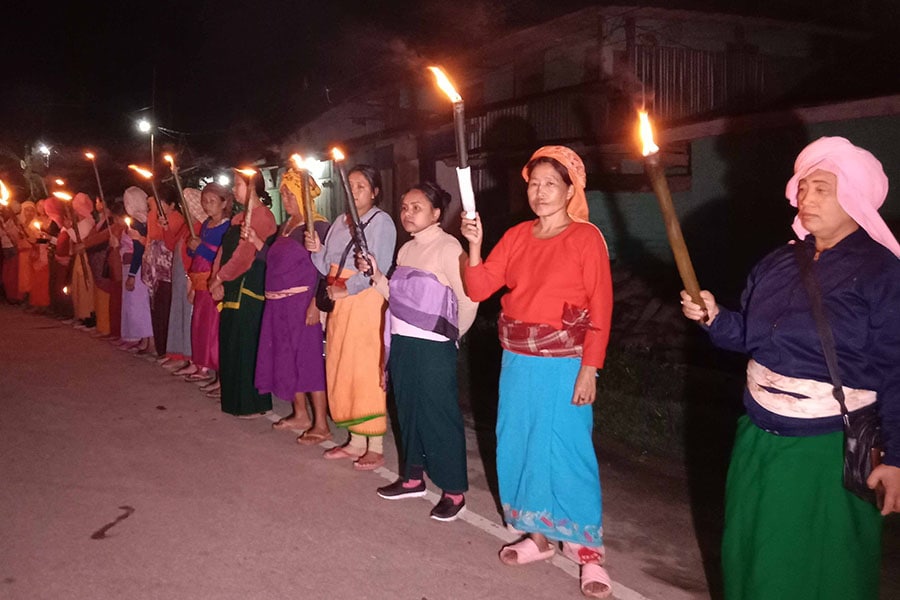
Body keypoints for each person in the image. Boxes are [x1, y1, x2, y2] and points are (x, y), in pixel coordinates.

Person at [680, 136, 900, 600]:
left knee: (817, 568)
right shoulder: (778, 262)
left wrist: (897, 458)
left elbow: (896, 368)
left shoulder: (882, 272)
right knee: (749, 554)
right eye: (803, 187)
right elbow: (752, 337)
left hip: (825, 448)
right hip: (756, 436)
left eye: (822, 188)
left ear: (855, 200)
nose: (806, 197)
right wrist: (715, 316)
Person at [461, 146, 614, 598]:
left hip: (566, 362)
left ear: (571, 190)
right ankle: (539, 536)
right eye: (534, 183)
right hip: (517, 359)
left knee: (569, 450)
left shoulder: (587, 238)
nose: (541, 192)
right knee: (520, 442)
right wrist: (474, 244)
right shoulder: (516, 236)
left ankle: (587, 551)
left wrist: (590, 369)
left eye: (551, 183)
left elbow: (601, 309)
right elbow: (479, 286)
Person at [363, 181, 479, 521]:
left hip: (433, 348)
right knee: (408, 410)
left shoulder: (448, 248)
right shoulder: (406, 250)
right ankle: (413, 478)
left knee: (439, 415)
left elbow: (469, 299)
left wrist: (451, 337)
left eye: (416, 207)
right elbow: (396, 299)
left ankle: (454, 491)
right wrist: (376, 273)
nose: (407, 213)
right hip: (403, 342)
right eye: (404, 207)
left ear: (437, 213)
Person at [306, 163, 397, 470]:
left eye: (362, 187)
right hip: (339, 301)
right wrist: (315, 249)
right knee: (341, 364)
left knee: (365, 369)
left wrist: (348, 289)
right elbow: (325, 265)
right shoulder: (340, 222)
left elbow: (379, 266)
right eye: (351, 186)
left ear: (375, 192)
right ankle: (356, 440)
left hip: (363, 301)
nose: (355, 192)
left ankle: (375, 444)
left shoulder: (380, 222)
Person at [251, 167, 331, 444]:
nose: (285, 198)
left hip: (302, 305)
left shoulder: (317, 226)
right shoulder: (287, 226)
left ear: (303, 195)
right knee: (287, 359)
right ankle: (300, 414)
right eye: (283, 193)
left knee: (307, 361)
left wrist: (316, 304)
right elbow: (272, 262)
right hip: (278, 306)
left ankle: (321, 423)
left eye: (290, 193)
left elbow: (325, 269)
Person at [208, 170, 276, 417]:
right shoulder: (238, 218)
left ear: (253, 187)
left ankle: (251, 403)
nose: (235, 190)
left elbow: (244, 256)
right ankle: (234, 400)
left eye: (238, 184)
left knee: (246, 346)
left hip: (248, 289)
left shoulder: (263, 217)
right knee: (230, 343)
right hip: (229, 287)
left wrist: (220, 278)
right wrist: (215, 278)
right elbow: (222, 252)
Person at [181, 183, 232, 396]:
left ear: (225, 203)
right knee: (201, 327)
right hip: (200, 282)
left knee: (215, 331)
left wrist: (200, 247)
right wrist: (193, 248)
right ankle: (204, 367)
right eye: (204, 201)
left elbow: (222, 256)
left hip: (214, 282)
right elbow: (198, 255)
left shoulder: (227, 228)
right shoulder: (206, 225)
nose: (207, 206)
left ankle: (222, 377)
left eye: (212, 201)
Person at [162, 187, 204, 373]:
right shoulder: (187, 226)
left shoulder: (201, 227)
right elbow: (172, 245)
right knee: (178, 313)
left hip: (189, 276)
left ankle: (191, 358)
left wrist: (192, 278)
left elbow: (199, 255)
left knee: (189, 317)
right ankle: (178, 354)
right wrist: (165, 228)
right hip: (179, 275)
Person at [119, 186, 155, 353]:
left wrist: (132, 274)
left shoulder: (137, 222)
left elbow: (138, 249)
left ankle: (150, 341)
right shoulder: (146, 219)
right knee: (142, 305)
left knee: (141, 305)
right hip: (142, 265)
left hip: (138, 267)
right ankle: (145, 340)